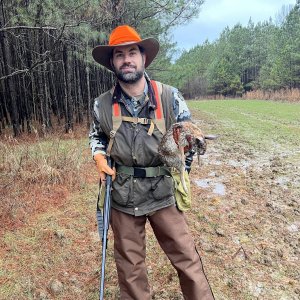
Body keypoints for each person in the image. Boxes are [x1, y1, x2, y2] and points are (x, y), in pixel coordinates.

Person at [89, 24, 215, 300]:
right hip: (122, 195)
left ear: (143, 58)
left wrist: (182, 169)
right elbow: (96, 136)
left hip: (162, 192)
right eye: (119, 54)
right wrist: (98, 156)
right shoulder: (101, 104)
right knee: (130, 269)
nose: (127, 59)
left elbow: (187, 140)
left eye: (132, 52)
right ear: (112, 62)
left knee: (187, 259)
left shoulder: (170, 97)